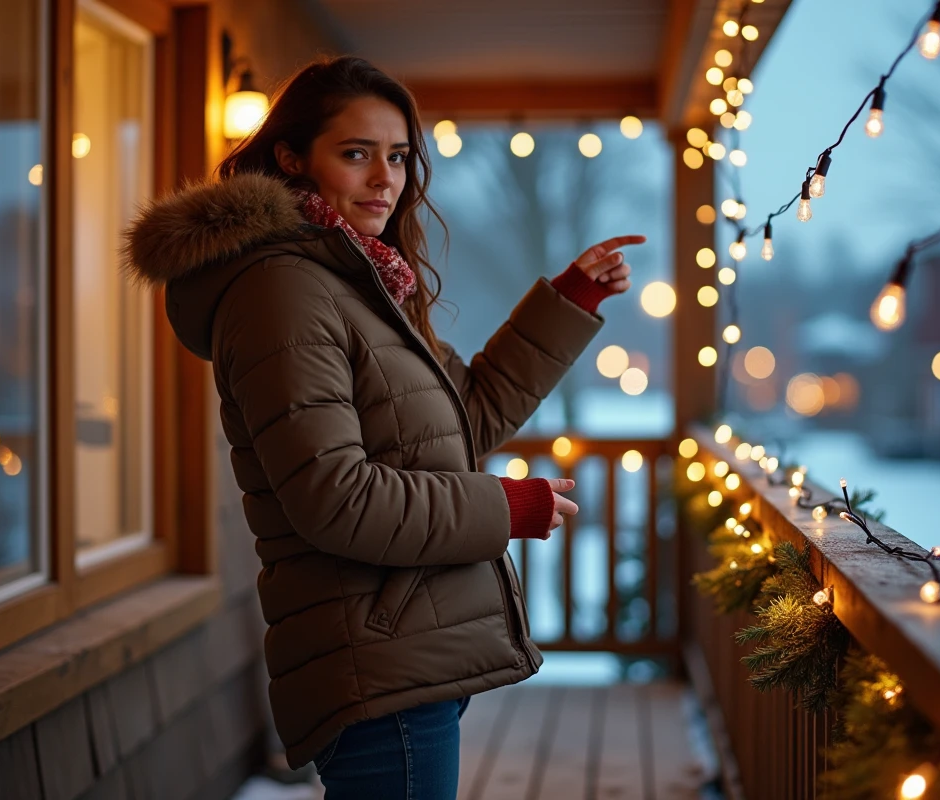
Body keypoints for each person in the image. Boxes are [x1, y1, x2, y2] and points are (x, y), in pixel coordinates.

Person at [122, 55, 644, 799]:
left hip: (402, 655)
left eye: (398, 156)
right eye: (357, 153)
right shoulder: (282, 289)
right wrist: (504, 508)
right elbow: (335, 497)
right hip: (373, 663)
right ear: (291, 158)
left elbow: (468, 415)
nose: (386, 179)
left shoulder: (357, 279)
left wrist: (571, 297)